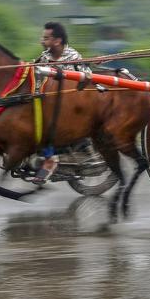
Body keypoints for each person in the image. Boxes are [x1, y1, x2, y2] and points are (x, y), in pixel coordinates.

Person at [32, 22, 91, 184]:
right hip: (51, 104)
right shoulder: (45, 57)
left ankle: (51, 158)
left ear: (57, 41)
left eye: (46, 38)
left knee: (46, 123)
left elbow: (87, 80)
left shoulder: (73, 57)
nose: (41, 41)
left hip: (72, 106)